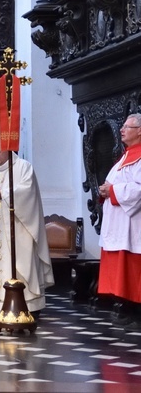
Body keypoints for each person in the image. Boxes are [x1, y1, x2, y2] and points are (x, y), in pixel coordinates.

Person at [0, 136, 54, 314]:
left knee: (19, 263)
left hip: (18, 229)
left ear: (7, 149)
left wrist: (3, 193)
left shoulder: (23, 167)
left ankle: (27, 304)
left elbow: (27, 192)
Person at [97, 113, 141, 322]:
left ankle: (133, 307)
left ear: (140, 131)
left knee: (131, 267)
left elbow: (138, 190)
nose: (122, 130)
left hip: (132, 225)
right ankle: (124, 303)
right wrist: (105, 190)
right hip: (119, 223)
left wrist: (112, 190)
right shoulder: (125, 156)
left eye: (127, 126)